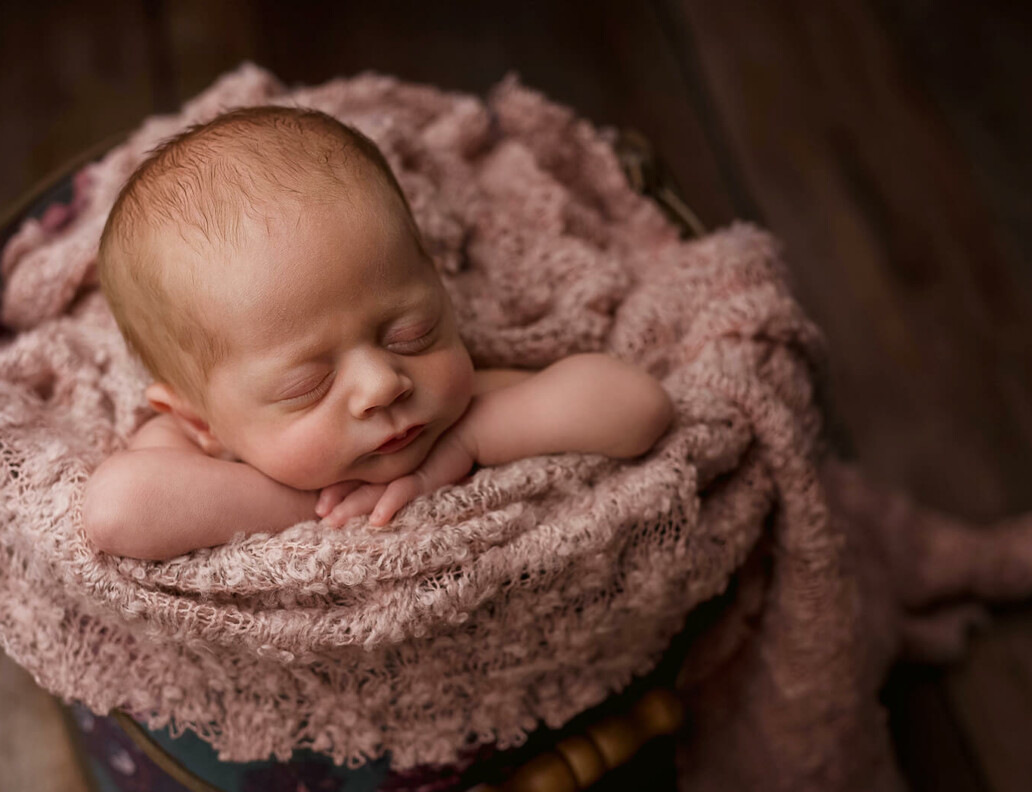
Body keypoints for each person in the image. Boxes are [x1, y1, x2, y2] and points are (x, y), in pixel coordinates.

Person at [82, 106, 674, 561]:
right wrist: (320, 506)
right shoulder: (193, 447)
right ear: (199, 421)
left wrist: (464, 446)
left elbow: (637, 407)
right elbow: (115, 512)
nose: (383, 384)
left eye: (411, 333)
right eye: (307, 384)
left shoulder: (460, 410)